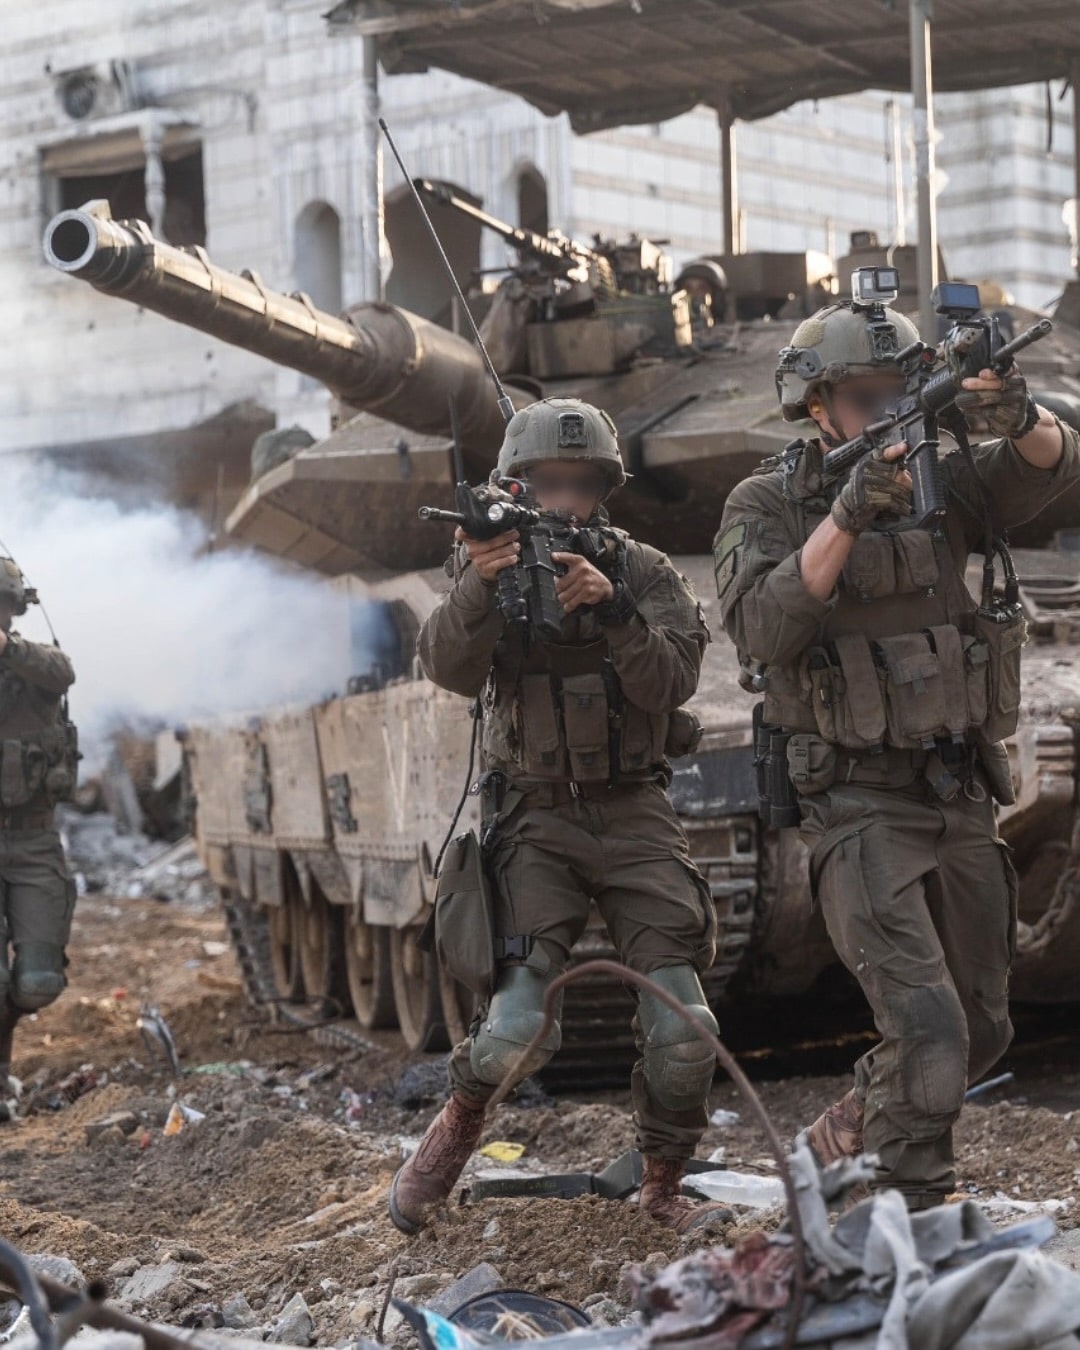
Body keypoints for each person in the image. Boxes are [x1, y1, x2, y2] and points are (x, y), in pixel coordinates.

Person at [714, 294, 1080, 1210]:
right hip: (857, 799)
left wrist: (1017, 411)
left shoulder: (944, 477)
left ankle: (842, 1136)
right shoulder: (767, 501)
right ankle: (916, 1216)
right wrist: (844, 515)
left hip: (957, 788)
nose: (885, 412)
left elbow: (1056, 465)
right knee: (926, 1031)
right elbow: (760, 629)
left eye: (897, 391)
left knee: (982, 1029)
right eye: (863, 397)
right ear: (815, 405)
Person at [390, 398, 725, 1235]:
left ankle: (660, 1186)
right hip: (535, 815)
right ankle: (456, 1126)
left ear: (604, 489)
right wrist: (482, 579)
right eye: (548, 485)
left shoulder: (644, 572)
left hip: (635, 812)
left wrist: (613, 610)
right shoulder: (484, 567)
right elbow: (447, 667)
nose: (566, 502)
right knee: (514, 1031)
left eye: (581, 485)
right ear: (516, 485)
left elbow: (671, 684)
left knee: (685, 1028)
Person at [0, 558, 78, 1101]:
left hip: (32, 838)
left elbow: (64, 670)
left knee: (37, 982)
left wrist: (9, 650)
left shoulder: (36, 669)